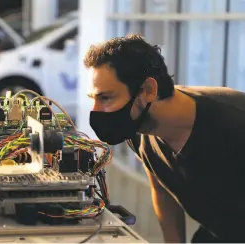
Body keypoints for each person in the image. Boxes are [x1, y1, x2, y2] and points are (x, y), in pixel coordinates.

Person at [83, 34, 245, 243]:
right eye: (93, 99)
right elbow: (162, 189)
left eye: (105, 97)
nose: (96, 111)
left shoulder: (233, 125)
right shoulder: (137, 126)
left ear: (148, 90)